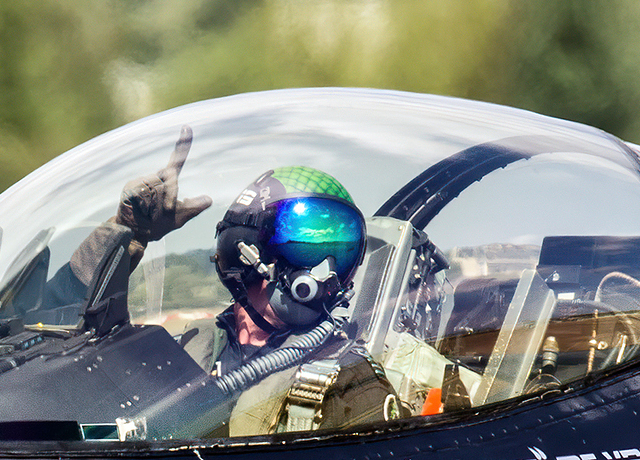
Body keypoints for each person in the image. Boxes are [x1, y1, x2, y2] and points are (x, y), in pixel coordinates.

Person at [61, 127, 401, 437]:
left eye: (339, 252)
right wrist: (127, 236)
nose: (325, 270)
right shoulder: (179, 348)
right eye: (304, 245)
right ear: (246, 249)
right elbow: (61, 348)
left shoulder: (346, 379)